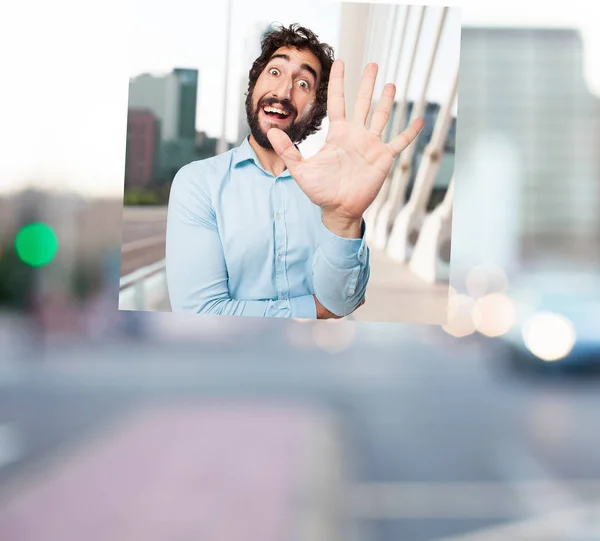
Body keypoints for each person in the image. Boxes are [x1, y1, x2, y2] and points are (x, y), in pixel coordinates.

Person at [166, 23, 423, 319]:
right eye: (275, 72)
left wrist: (342, 218)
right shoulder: (198, 183)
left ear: (315, 110)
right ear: (253, 87)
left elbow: (340, 302)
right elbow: (199, 313)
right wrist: (313, 309)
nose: (283, 91)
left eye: (303, 84)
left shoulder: (332, 190)